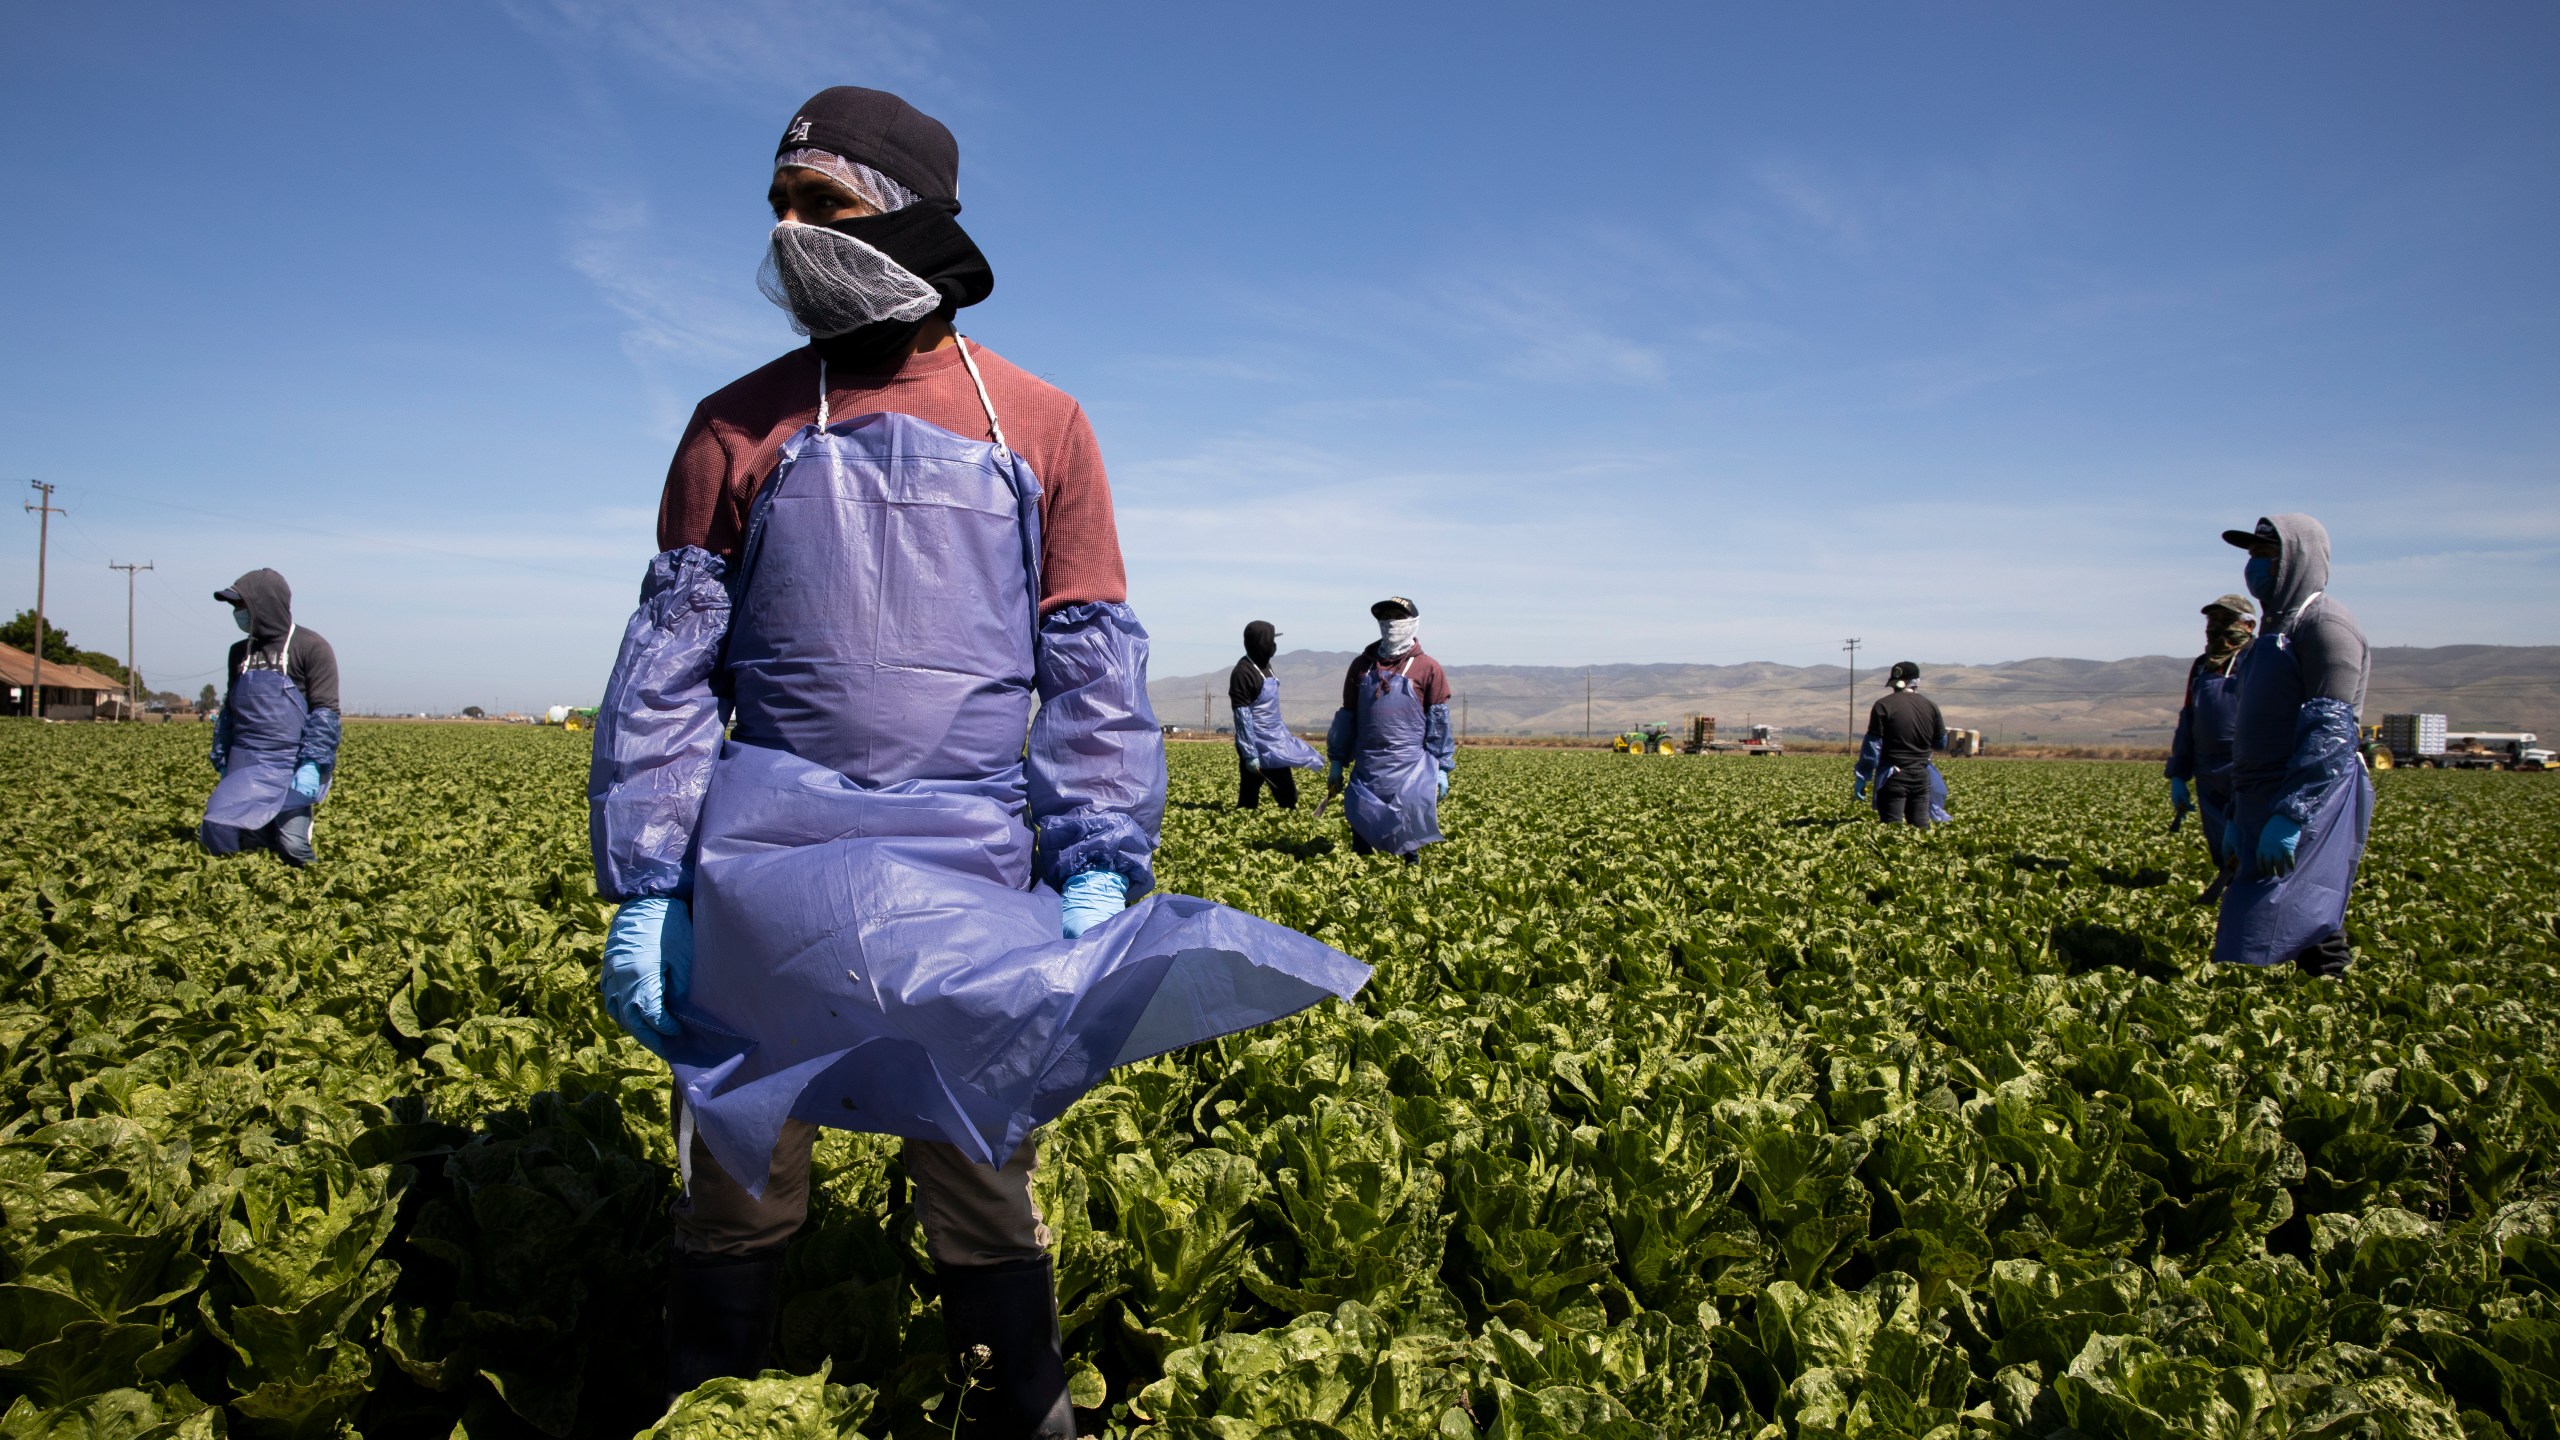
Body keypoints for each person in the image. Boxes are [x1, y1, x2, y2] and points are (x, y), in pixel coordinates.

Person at [585, 86, 1368, 1431]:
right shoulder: (737, 426)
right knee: (739, 1159)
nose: (787, 233)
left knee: (978, 1148)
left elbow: (1089, 663)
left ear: (910, 214)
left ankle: (1019, 1403)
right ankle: (715, 1398)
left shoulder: (1042, 427)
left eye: (821, 205)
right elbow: (667, 670)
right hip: (765, 855)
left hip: (968, 851)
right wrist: (649, 884)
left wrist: (1100, 860)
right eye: (776, 205)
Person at [2212, 515, 2370, 977]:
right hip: (2262, 791)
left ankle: (2321, 999)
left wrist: (2293, 812)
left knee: (2281, 910)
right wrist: (2241, 809)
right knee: (2294, 911)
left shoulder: (2325, 625)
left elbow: (2331, 729)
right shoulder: (2271, 632)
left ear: (2299, 560)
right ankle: (2321, 997)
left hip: (2307, 793)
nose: (2255, 566)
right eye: (2253, 555)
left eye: (2267, 555)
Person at [201, 569, 339, 866]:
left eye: (241, 605)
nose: (238, 613)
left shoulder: (311, 647)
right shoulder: (239, 652)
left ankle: (311, 894)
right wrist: (223, 757)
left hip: (289, 763)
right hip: (246, 763)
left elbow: (325, 712)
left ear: (264, 604)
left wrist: (311, 764)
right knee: (238, 839)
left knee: (291, 844)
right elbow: (230, 712)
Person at [1325, 597, 1454, 861]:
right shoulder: (1362, 666)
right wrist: (1337, 761)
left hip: (1410, 768)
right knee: (1362, 822)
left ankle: (1411, 876)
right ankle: (1359, 876)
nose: (1392, 624)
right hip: (1368, 764)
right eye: (1386, 618)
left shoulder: (1428, 668)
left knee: (1406, 830)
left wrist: (1440, 767)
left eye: (1399, 617)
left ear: (1413, 623)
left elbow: (1438, 722)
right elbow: (1347, 717)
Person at [2165, 593, 2257, 888]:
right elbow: (2188, 719)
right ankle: (2229, 890)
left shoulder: (2258, 660)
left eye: (2227, 625)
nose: (2218, 633)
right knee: (2220, 844)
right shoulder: (2203, 666)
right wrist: (2179, 773)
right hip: (2208, 772)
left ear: (2248, 626)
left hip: (2249, 769)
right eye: (2212, 625)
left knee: (2251, 844)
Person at [1230, 621, 1321, 808]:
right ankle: (1246, 818)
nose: (1274, 646)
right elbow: (1242, 715)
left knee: (1284, 791)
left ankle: (1276, 813)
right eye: (1271, 641)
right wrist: (1249, 753)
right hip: (1256, 742)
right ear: (1261, 643)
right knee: (1253, 791)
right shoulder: (1242, 672)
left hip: (1274, 739)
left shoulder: (1266, 666)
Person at [1852, 661, 1947, 828]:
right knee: (1920, 827)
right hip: (1921, 775)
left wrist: (1863, 776)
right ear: (1916, 682)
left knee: (1892, 829)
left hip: (1893, 776)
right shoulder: (1931, 706)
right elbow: (1941, 743)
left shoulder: (1883, 705)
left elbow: (1873, 745)